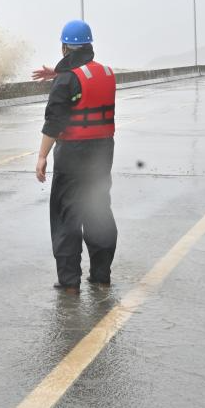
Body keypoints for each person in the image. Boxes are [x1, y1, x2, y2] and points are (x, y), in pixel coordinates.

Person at [33, 20, 118, 293]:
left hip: (73, 154)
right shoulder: (106, 72)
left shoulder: (67, 79)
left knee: (67, 214)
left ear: (64, 47)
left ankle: (70, 283)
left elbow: (54, 122)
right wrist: (59, 74)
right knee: (98, 208)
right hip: (103, 152)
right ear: (89, 45)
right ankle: (101, 276)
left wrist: (42, 156)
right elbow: (83, 79)